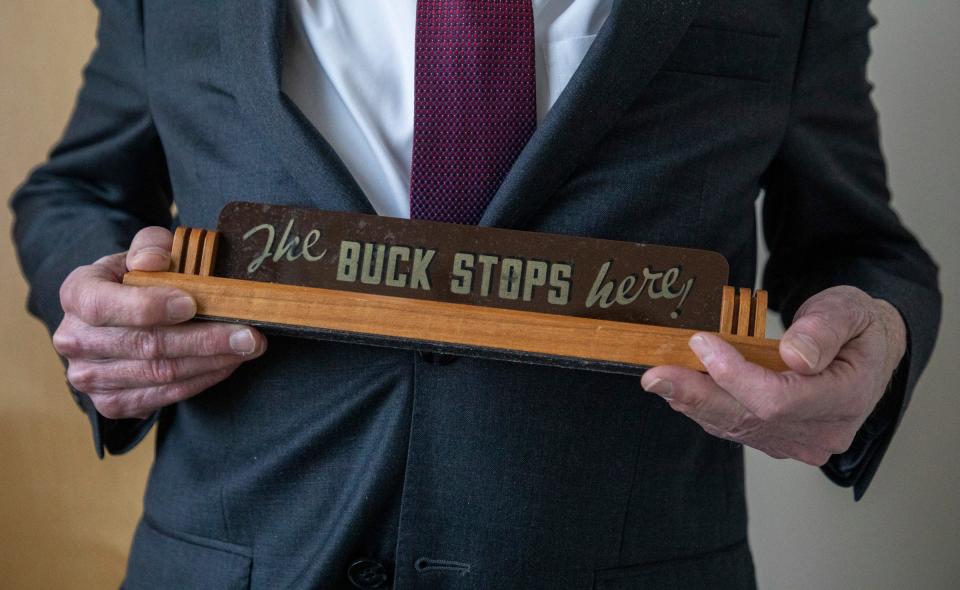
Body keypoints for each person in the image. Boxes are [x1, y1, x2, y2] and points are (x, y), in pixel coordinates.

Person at [10, 1, 941, 588]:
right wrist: (88, 296)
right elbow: (80, 191)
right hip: (237, 557)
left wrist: (878, 339)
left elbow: (858, 243)